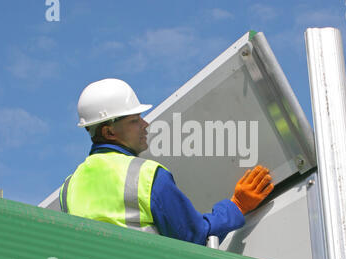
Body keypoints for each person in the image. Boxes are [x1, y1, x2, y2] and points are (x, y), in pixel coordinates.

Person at [60, 78, 274, 245]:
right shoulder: (145, 176)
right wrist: (237, 206)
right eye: (134, 120)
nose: (145, 125)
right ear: (109, 132)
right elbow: (194, 236)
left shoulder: (68, 188)